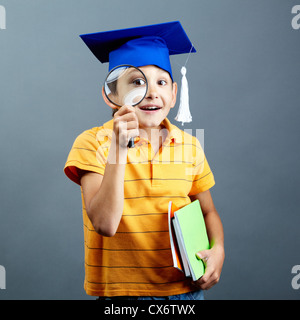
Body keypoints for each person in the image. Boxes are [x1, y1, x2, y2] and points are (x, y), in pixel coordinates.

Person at [64, 21, 224, 300]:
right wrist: (118, 148)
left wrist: (218, 249)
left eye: (161, 82)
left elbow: (207, 211)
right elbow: (104, 223)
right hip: (122, 295)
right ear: (111, 95)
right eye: (137, 82)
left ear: (173, 94)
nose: (151, 92)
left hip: (185, 290)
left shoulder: (190, 146)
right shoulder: (92, 144)